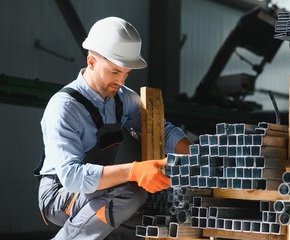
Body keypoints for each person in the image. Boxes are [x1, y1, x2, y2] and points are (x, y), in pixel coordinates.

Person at [36, 16, 192, 240]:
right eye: (114, 72)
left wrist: (196, 155)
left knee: (149, 217)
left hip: (97, 188)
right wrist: (134, 170)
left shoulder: (122, 99)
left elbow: (160, 129)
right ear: (91, 62)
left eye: (126, 73)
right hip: (58, 195)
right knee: (132, 191)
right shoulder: (64, 108)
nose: (121, 81)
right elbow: (72, 177)